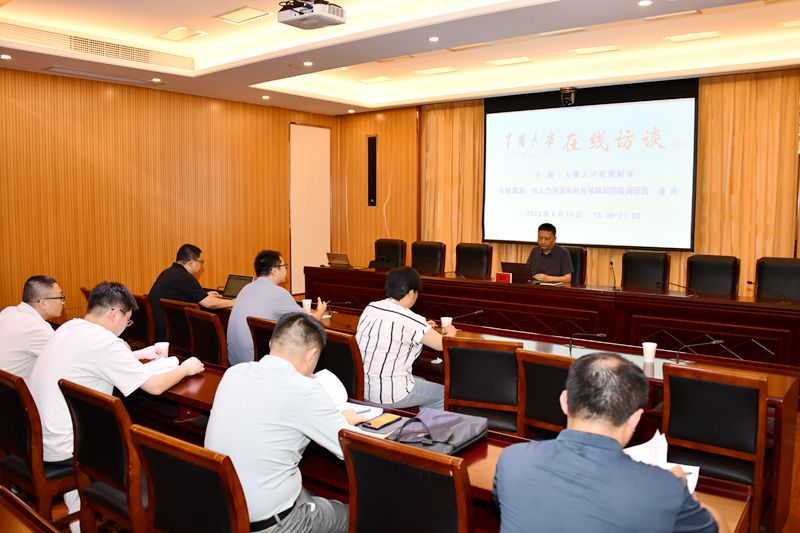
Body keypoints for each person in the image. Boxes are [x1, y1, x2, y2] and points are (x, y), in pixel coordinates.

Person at [28, 281, 204, 529]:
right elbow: (155, 386)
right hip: (70, 446)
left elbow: (92, 361)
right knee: (158, 448)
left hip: (41, 437)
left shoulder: (70, 327)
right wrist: (186, 368)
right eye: (127, 321)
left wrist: (136, 356)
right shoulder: (104, 342)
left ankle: (79, 519)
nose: (125, 327)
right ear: (114, 313)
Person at [493, 352, 726, 533]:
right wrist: (685, 493)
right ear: (635, 419)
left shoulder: (513, 459)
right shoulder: (663, 490)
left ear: (564, 401)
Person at [205, 312, 366, 533]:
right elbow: (356, 450)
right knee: (356, 515)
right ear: (311, 356)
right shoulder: (305, 390)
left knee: (309, 492)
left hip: (221, 509)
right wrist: (341, 423)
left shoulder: (234, 373)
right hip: (272, 524)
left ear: (271, 343)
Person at [356, 266, 456, 409]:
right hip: (390, 394)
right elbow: (442, 344)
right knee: (443, 395)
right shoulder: (412, 320)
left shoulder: (370, 308)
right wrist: (450, 331)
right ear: (410, 293)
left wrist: (423, 327)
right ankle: (424, 424)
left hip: (362, 389)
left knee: (422, 381)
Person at [227, 250, 327, 365]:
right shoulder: (279, 293)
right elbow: (308, 321)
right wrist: (320, 311)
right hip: (255, 361)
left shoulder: (246, 287)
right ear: (274, 270)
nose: (286, 269)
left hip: (234, 360)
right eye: (284, 266)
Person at [148, 243, 234, 341]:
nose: (201, 265)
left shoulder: (168, 272)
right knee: (217, 331)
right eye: (200, 262)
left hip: (161, 329)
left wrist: (205, 295)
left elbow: (183, 296)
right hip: (174, 333)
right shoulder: (185, 277)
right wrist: (233, 302)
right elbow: (208, 303)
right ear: (191, 262)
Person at [0, 275, 64, 381]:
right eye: (60, 297)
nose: (62, 302)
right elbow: (65, 361)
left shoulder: (8, 311)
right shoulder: (38, 329)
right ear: (43, 303)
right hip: (16, 390)